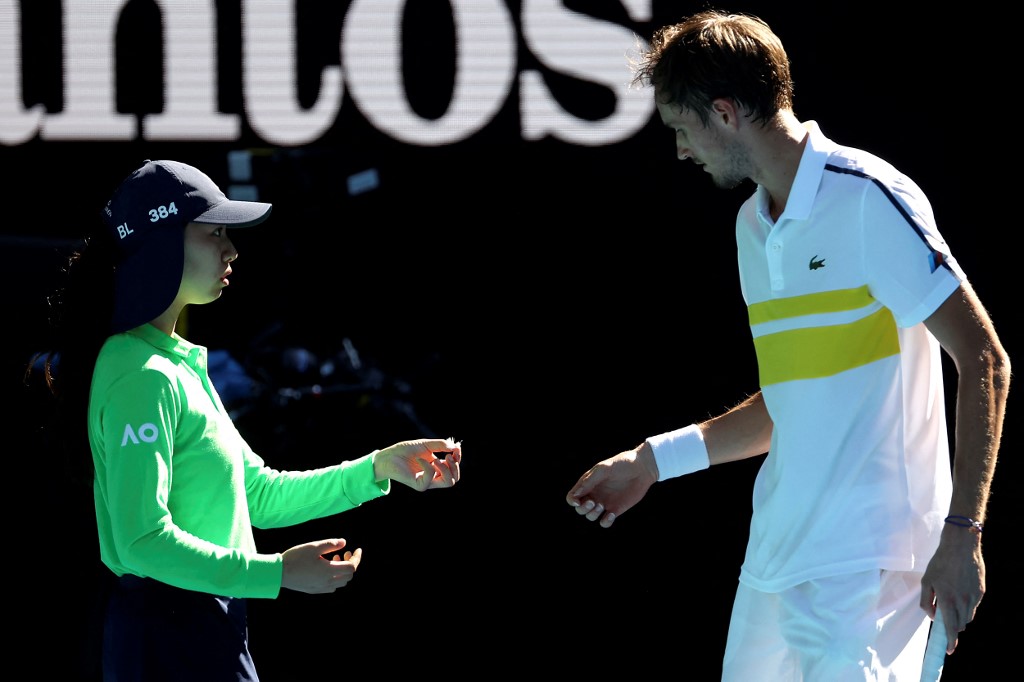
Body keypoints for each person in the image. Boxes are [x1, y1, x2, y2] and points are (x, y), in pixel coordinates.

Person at [565, 10, 1009, 681]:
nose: (682, 151)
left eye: (683, 130)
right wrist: (656, 460)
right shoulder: (751, 227)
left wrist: (963, 532)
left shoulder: (870, 201)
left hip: (874, 569)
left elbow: (983, 358)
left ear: (723, 112)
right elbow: (790, 407)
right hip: (775, 567)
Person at [29, 158, 463, 681]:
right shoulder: (140, 374)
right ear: (164, 243)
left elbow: (256, 494)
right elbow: (140, 541)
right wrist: (276, 573)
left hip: (201, 628)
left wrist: (377, 469)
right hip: (169, 641)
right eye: (214, 233)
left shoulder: (169, 363)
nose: (231, 249)